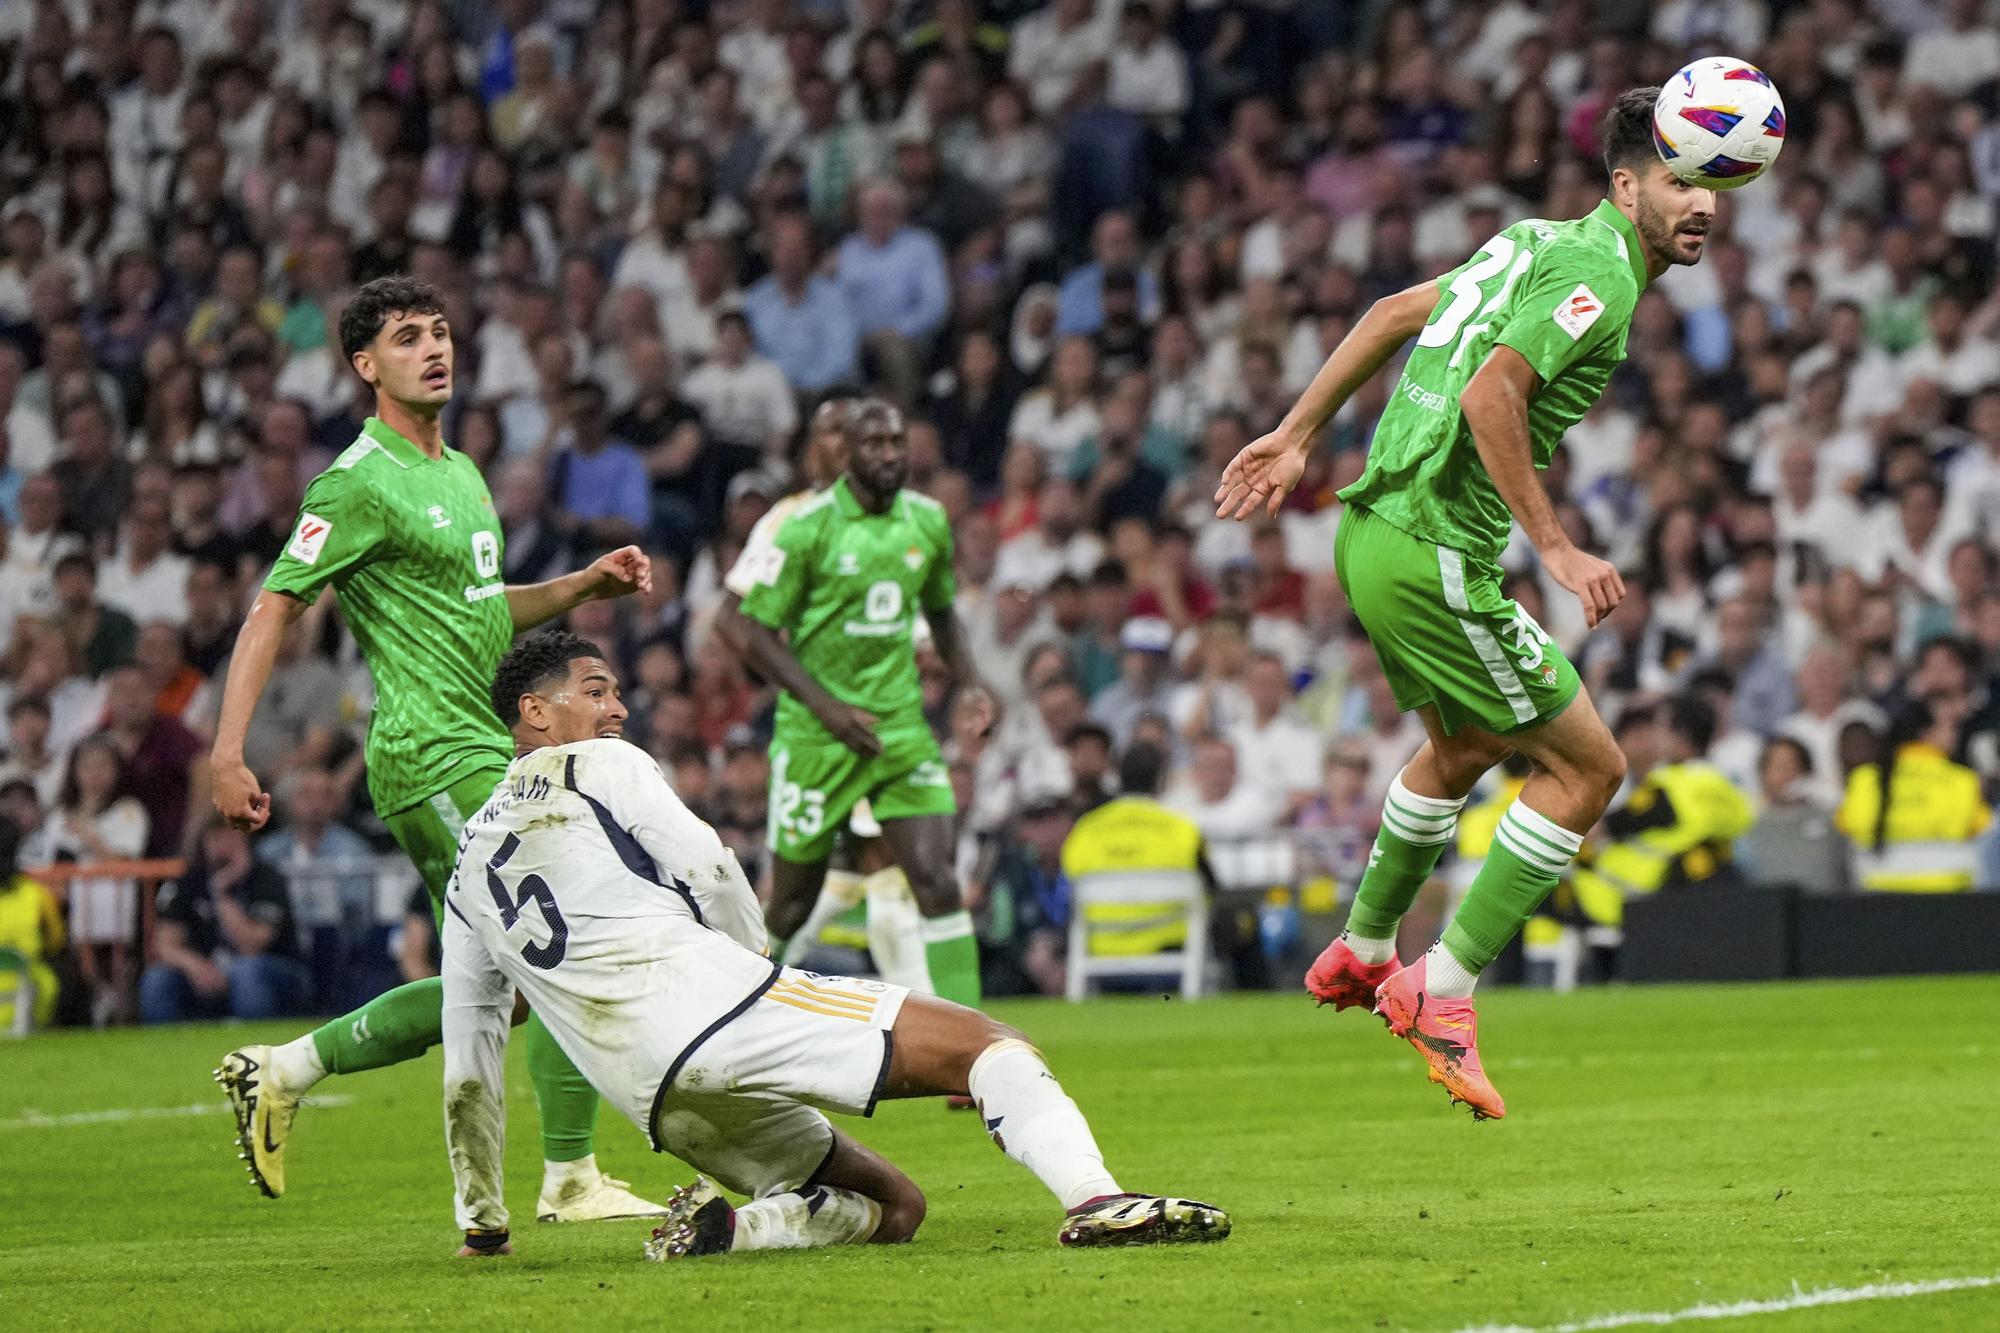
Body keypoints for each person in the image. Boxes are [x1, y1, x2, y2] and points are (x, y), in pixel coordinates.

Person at [1215, 88, 1733, 1119]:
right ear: (1623, 184)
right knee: (1590, 768)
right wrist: (1555, 546)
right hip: (1434, 549)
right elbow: (1488, 394)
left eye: (1714, 184)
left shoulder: (1530, 243)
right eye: (1678, 180)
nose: (1702, 203)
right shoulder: (1598, 277)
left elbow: (1390, 314)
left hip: (1371, 536)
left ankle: (1363, 947)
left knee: (1459, 748)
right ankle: (1439, 991)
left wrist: (1297, 433)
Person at [441, 632, 1228, 1259]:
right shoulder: (600, 762)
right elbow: (709, 862)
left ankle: (739, 1228)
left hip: (652, 1098)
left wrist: (482, 1219)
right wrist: (750, 962)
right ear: (535, 713)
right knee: (991, 1043)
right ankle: (1097, 1200)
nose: (617, 709)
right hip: (717, 1003)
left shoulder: (468, 864)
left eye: (615, 691)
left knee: (898, 1208)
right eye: (595, 690)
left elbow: (469, 1054)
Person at [206, 275, 658, 1219]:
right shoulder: (357, 480)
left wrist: (578, 587)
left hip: (486, 742)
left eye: (443, 332)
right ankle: (569, 1178)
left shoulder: (460, 472)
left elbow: (483, 610)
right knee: (567, 937)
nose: (435, 348)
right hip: (433, 754)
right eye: (409, 337)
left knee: (502, 981)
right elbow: (275, 605)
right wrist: (228, 748)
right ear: (367, 366)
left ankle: (285, 1069)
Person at [730, 398, 996, 1011]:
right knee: (793, 903)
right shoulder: (805, 525)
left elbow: (941, 615)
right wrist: (825, 707)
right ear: (845, 453)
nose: (889, 455)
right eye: (874, 445)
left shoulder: (927, 521)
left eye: (897, 443)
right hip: (817, 739)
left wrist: (973, 684)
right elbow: (745, 626)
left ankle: (977, 1046)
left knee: (935, 881)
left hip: (899, 731)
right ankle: (733, 1015)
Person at [713, 391, 931, 996]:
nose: (846, 442)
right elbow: (733, 620)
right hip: (814, 730)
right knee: (793, 901)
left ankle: (944, 1031)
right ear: (815, 447)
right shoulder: (792, 518)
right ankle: (734, 994)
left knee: (891, 867)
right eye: (834, 431)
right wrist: (812, 697)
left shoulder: (898, 519)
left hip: (884, 720)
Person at [140, 821, 309, 1024]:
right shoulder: (189, 880)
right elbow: (164, 945)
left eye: (231, 836)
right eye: (215, 838)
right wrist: (195, 965)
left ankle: (252, 1041)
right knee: (158, 980)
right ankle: (163, 1047)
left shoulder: (267, 879)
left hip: (272, 971)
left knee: (247, 971)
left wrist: (221, 894)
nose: (223, 846)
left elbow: (251, 945)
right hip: (206, 969)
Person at [1836, 699, 1991, 892]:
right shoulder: (1962, 781)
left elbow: (1845, 826)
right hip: (1948, 897)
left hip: (1876, 897)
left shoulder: (1863, 779)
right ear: (1926, 734)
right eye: (1949, 728)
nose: (1955, 734)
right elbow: (1986, 831)